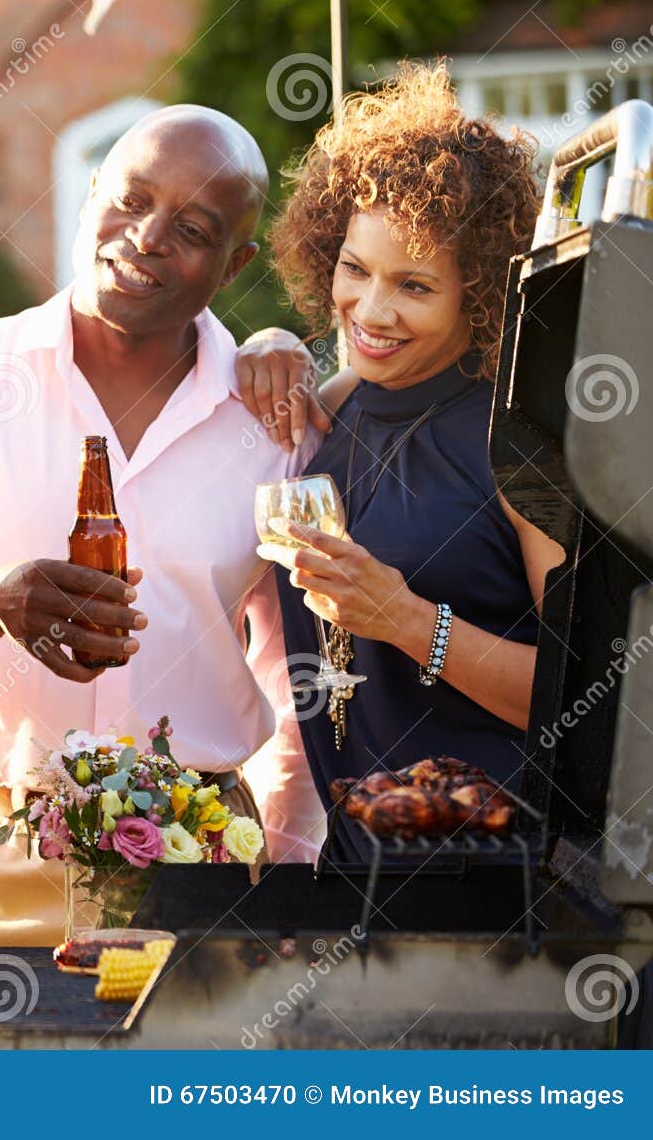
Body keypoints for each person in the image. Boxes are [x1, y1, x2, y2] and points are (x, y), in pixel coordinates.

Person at [0, 104, 323, 1049]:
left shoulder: (276, 425)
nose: (148, 240)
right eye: (130, 201)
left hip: (194, 871)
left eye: (195, 231)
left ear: (235, 266)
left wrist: (285, 859)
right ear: (89, 196)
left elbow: (301, 674)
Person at [258, 63, 562, 864]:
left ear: (482, 293)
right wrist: (271, 345)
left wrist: (407, 620)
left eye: (416, 285)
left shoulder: (521, 436)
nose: (372, 310)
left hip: (506, 893)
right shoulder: (335, 407)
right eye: (355, 269)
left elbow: (594, 695)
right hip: (356, 878)